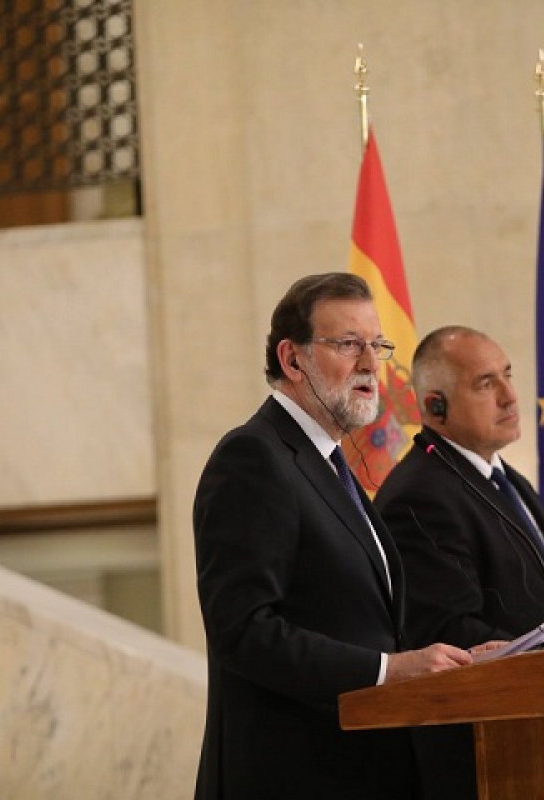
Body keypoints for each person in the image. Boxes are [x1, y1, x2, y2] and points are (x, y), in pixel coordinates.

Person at [192, 273, 477, 800]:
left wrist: (467, 659)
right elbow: (242, 630)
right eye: (348, 344)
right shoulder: (253, 458)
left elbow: (358, 621)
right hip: (292, 776)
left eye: (377, 345)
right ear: (292, 359)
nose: (371, 363)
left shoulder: (331, 466)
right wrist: (387, 670)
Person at [374, 325, 544, 798]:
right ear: (436, 407)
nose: (510, 396)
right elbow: (450, 632)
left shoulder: (510, 483)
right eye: (485, 383)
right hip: (485, 757)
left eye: (507, 375)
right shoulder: (419, 494)